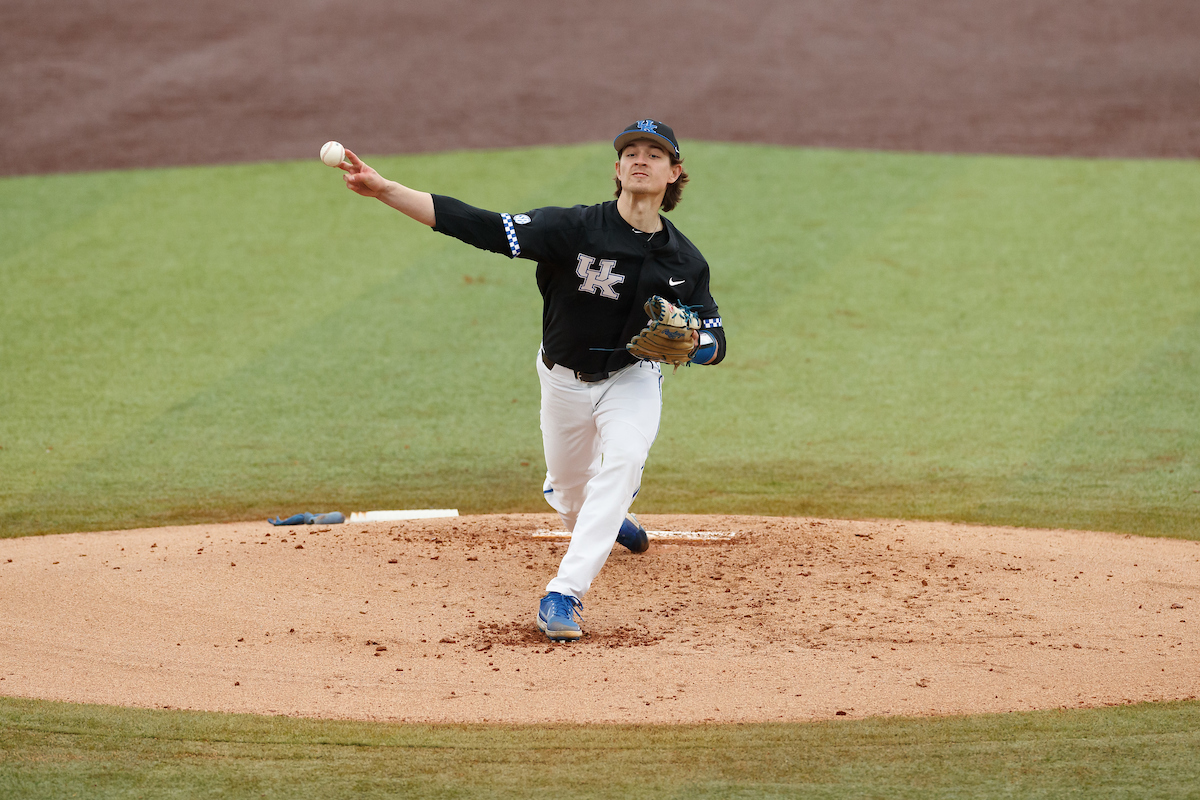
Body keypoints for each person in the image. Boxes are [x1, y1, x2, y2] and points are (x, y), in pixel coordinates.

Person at [337, 120, 726, 641]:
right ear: (616, 170)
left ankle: (563, 594)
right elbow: (479, 225)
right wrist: (385, 189)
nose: (640, 159)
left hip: (631, 378)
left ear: (673, 173)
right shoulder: (574, 228)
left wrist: (695, 346)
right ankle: (602, 518)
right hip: (563, 380)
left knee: (625, 459)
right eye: (630, 151)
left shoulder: (685, 261)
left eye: (654, 155)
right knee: (569, 495)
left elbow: (716, 340)